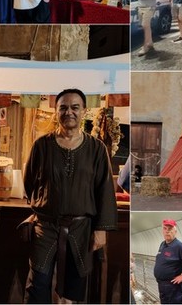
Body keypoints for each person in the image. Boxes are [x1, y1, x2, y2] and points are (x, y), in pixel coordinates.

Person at [24, 88, 118, 303]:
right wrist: (45, 204)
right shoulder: (42, 146)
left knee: (73, 289)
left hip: (80, 228)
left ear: (84, 111)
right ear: (56, 111)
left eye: (75, 107)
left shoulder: (96, 148)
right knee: (37, 283)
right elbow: (29, 182)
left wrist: (101, 229)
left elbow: (104, 189)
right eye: (63, 108)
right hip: (45, 228)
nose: (69, 112)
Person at [154, 219, 182, 304]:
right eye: (165, 228)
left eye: (170, 229)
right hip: (161, 284)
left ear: (175, 231)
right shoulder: (162, 244)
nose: (167, 231)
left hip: (172, 286)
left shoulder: (179, 246)